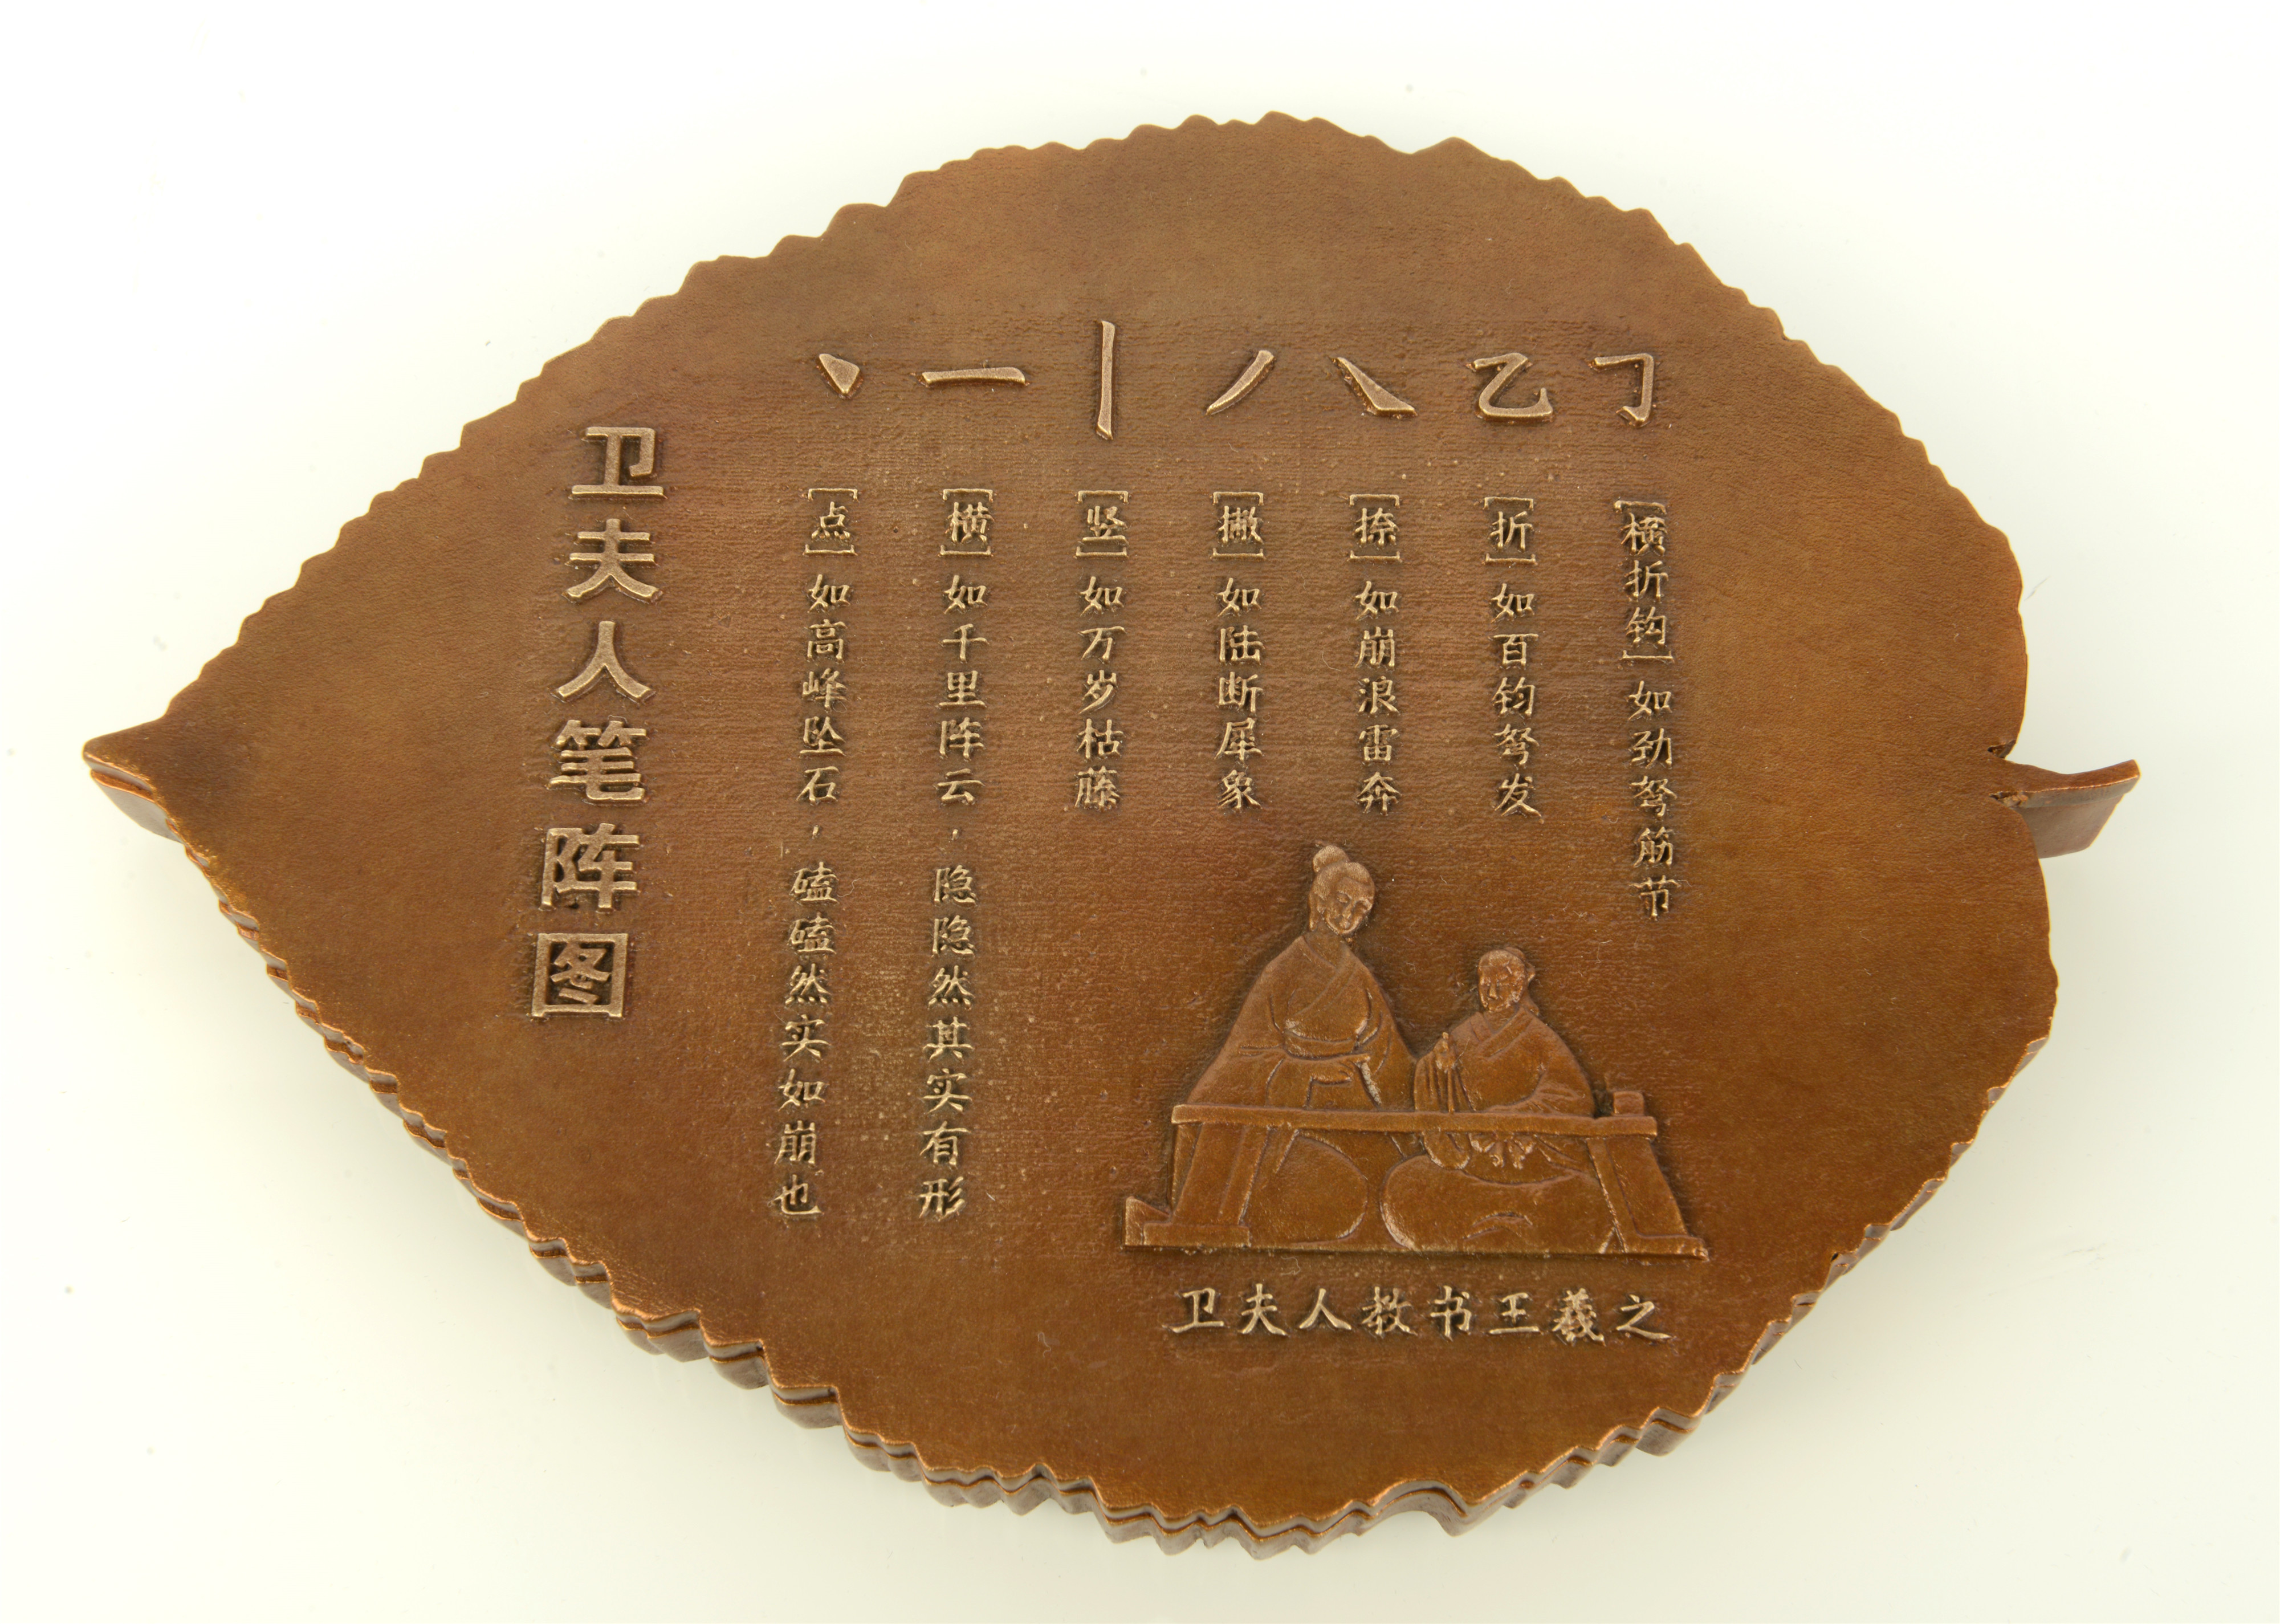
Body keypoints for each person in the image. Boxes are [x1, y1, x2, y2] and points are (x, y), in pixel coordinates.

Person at [1159, 844, 1414, 1246]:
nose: (1348, 915)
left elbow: (1391, 1062)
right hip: (1290, 1111)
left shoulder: (1359, 979)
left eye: (1361, 909)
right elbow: (1247, 1054)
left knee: (1397, 1192)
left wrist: (1440, 1073)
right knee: (1344, 1195)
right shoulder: (1283, 971)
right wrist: (1304, 1068)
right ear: (1320, 900)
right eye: (1342, 901)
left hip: (1352, 1108)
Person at [1379, 947, 1618, 1253]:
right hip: (1475, 1162)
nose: (1492, 993)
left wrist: (1515, 1115)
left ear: (1518, 987)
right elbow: (1436, 1081)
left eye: (1501, 984)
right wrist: (1440, 1066)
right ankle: (1498, 1227)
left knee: (1589, 1198)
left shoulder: (1539, 1037)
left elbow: (1572, 1095)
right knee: (1407, 1182)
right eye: (1485, 984)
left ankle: (1507, 1228)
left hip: (1534, 1162)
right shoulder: (1465, 1035)